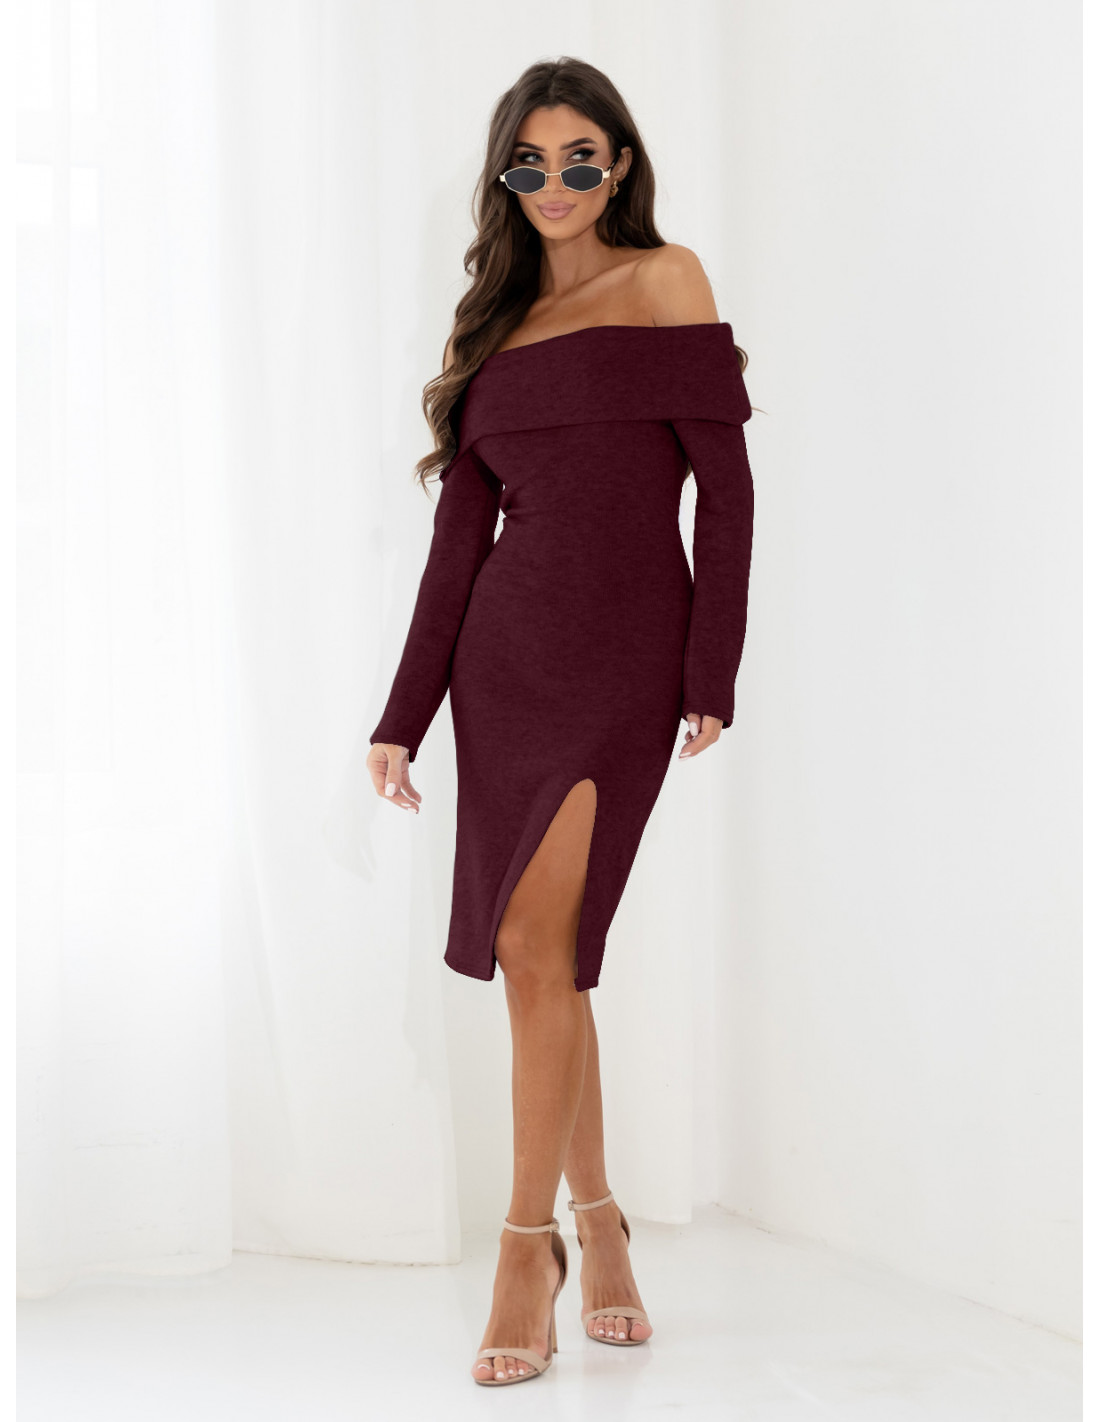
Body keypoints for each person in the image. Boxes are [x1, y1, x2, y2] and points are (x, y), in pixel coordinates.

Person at [366, 56, 754, 1386]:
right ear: (505, 176)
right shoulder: (490, 332)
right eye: (528, 162)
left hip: (628, 659)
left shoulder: (668, 281)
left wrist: (712, 667)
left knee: (543, 945)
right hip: (505, 665)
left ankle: (522, 1248)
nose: (555, 183)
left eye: (580, 158)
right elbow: (455, 551)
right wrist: (403, 716)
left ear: (621, 165)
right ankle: (595, 1222)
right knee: (547, 959)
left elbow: (727, 495)